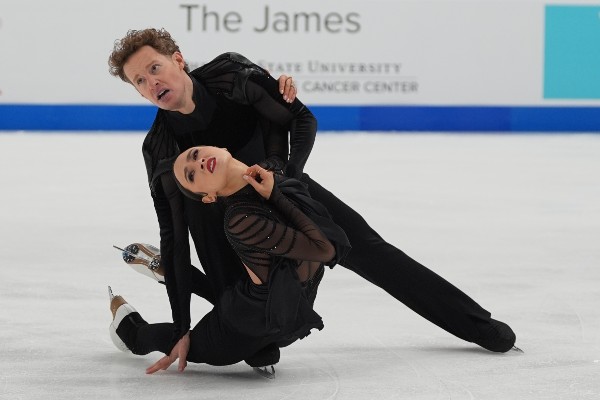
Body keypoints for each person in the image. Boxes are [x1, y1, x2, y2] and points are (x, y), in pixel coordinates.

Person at [107, 28, 518, 371]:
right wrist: (181, 326)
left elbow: (300, 118)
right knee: (259, 345)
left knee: (370, 250)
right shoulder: (160, 149)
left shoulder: (230, 75)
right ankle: (184, 281)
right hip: (220, 225)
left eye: (154, 68)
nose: (151, 83)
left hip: (282, 184)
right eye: (139, 81)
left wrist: (283, 180)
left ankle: (477, 325)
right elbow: (175, 235)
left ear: (178, 60)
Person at [109, 146, 350, 374]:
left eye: (195, 154)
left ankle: (174, 273)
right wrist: (275, 195)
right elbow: (324, 250)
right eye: (191, 175)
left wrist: (275, 187)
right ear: (209, 197)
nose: (199, 163)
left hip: (289, 309)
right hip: (245, 321)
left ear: (221, 148)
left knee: (266, 348)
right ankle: (127, 328)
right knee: (192, 347)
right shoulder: (241, 219)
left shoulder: (270, 178)